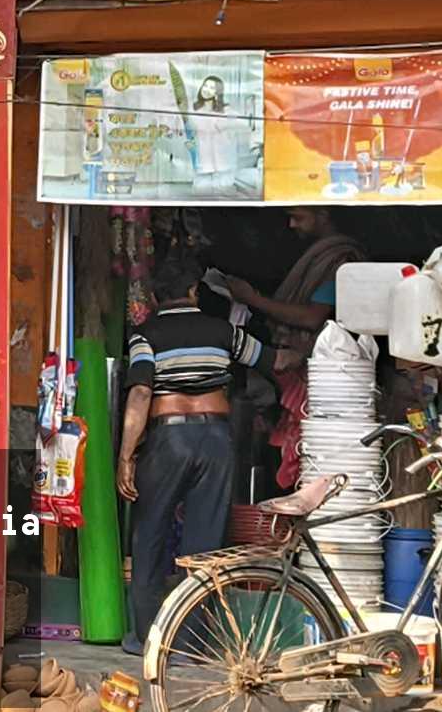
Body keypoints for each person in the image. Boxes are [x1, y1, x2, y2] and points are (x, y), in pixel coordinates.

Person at [117, 254, 300, 654]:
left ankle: (147, 638)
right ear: (194, 291)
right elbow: (275, 361)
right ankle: (190, 641)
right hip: (216, 439)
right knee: (204, 544)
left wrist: (126, 455)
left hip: (168, 440)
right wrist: (313, 349)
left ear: (154, 297)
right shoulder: (224, 331)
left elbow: (141, 393)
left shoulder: (145, 336)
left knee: (150, 534)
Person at [222, 206, 366, 488]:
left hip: (326, 371)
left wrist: (254, 299)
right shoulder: (320, 258)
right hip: (302, 370)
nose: (291, 225)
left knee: (310, 446)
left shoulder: (339, 261)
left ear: (323, 215)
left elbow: (312, 318)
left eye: (298, 217)